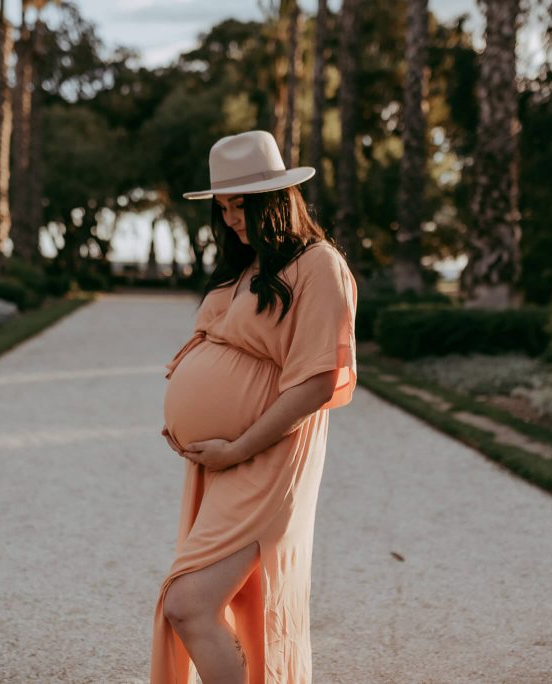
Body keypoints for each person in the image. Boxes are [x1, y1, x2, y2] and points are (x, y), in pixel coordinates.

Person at [151, 130, 358, 684]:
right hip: (223, 461)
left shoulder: (318, 265)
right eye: (222, 208)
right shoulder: (244, 270)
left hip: (265, 458)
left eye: (240, 205)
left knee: (189, 603)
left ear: (276, 199)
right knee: (204, 606)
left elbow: (316, 382)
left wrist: (236, 445)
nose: (232, 219)